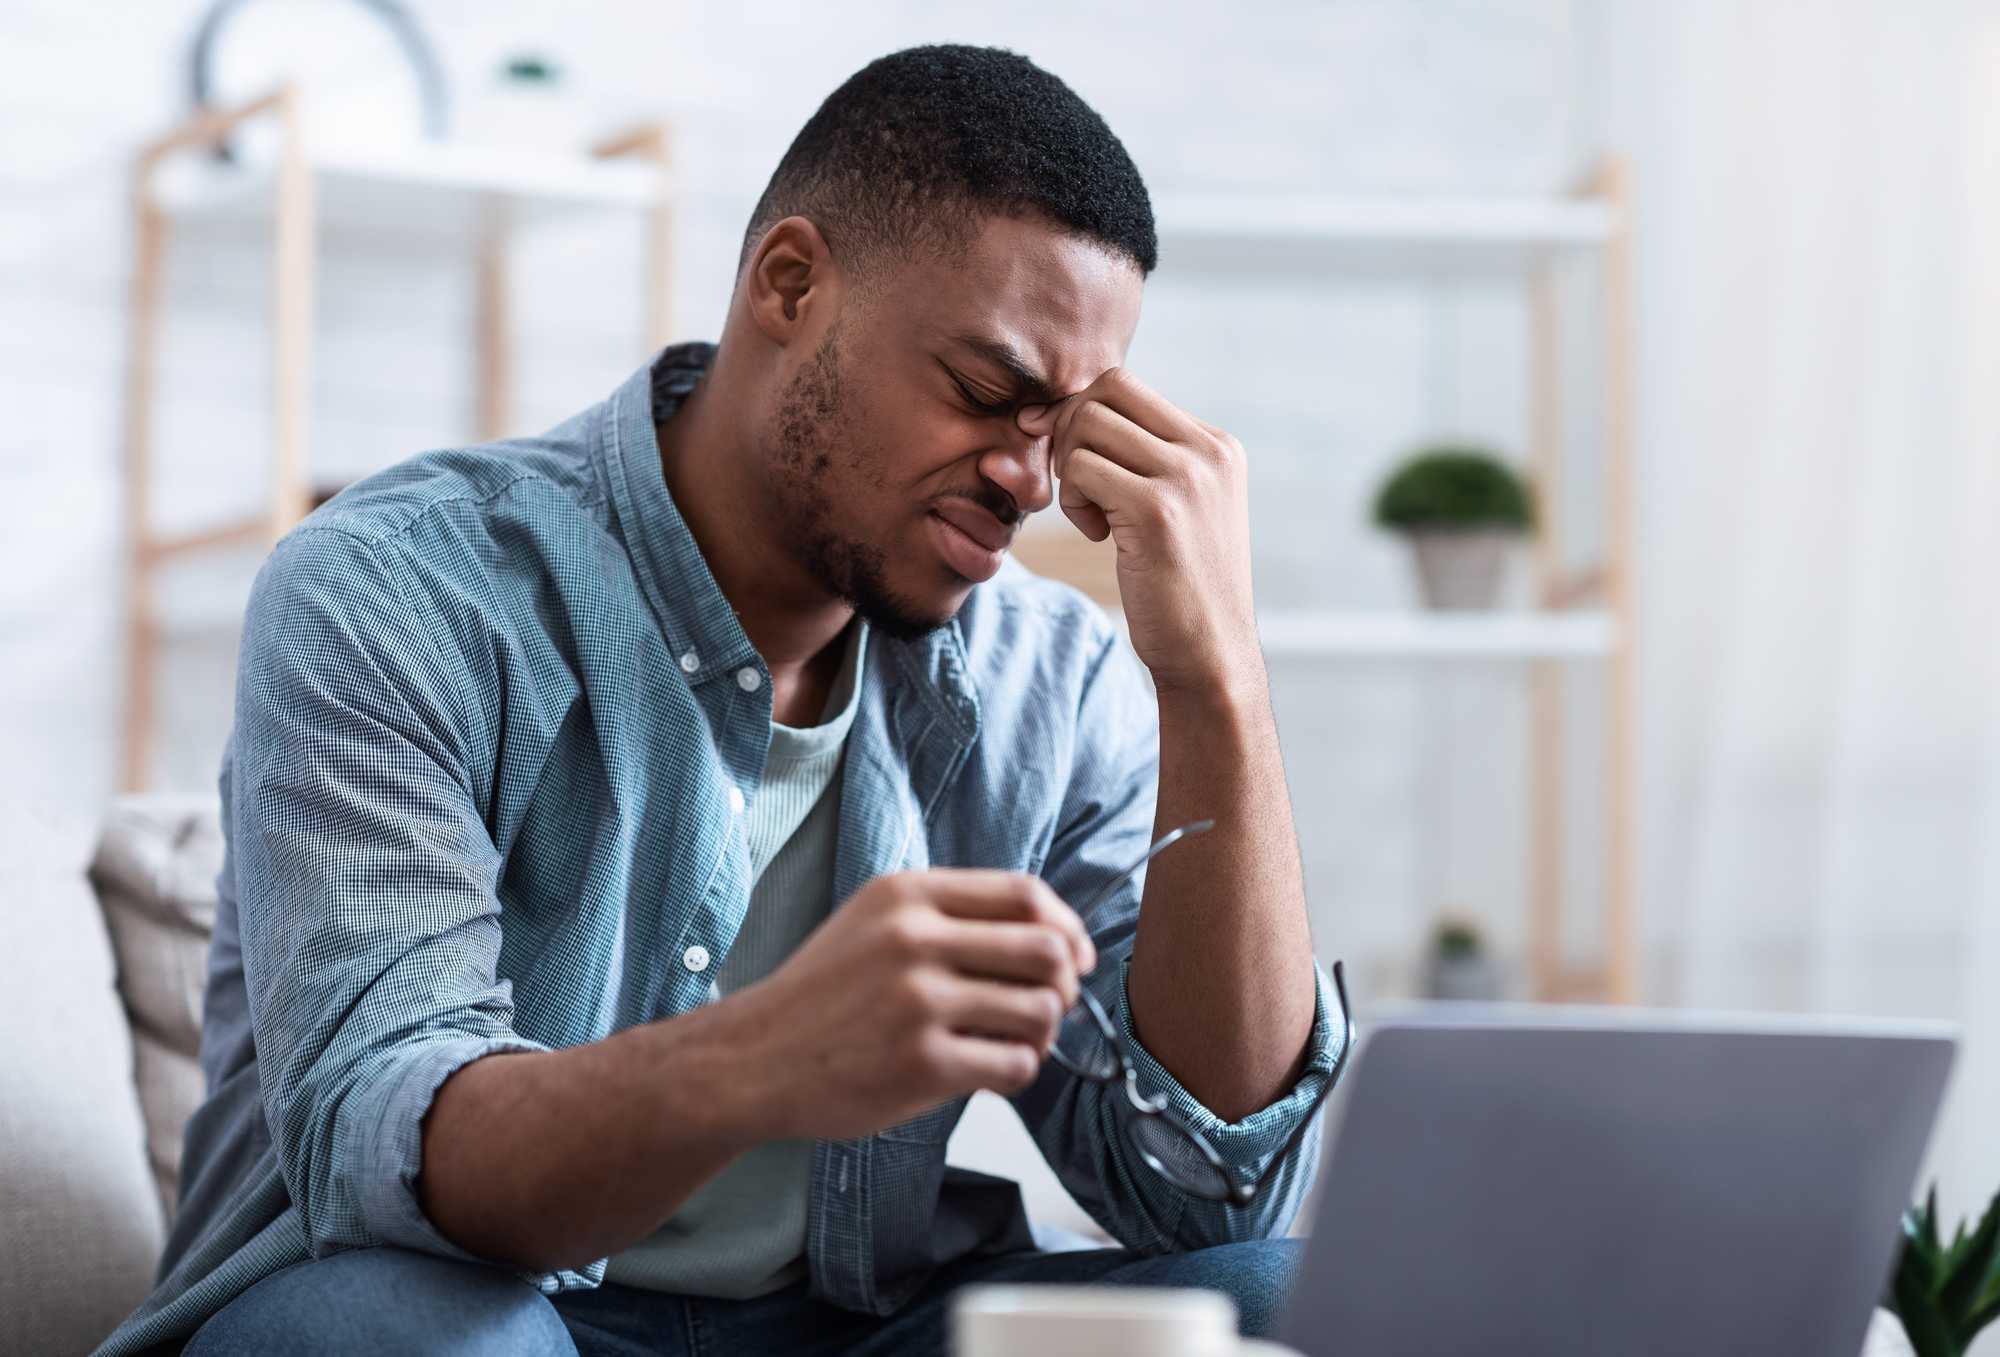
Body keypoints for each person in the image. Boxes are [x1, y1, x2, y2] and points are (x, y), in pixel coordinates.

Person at [98, 44, 1345, 1357]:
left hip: (854, 1324)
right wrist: (763, 1059)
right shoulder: (398, 589)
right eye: (987, 394)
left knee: (1279, 1293)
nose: (1031, 483)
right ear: (791, 284)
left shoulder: (1055, 677)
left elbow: (1205, 1189)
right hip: (478, 1307)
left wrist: (1219, 679)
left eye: (1066, 425)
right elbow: (387, 1158)